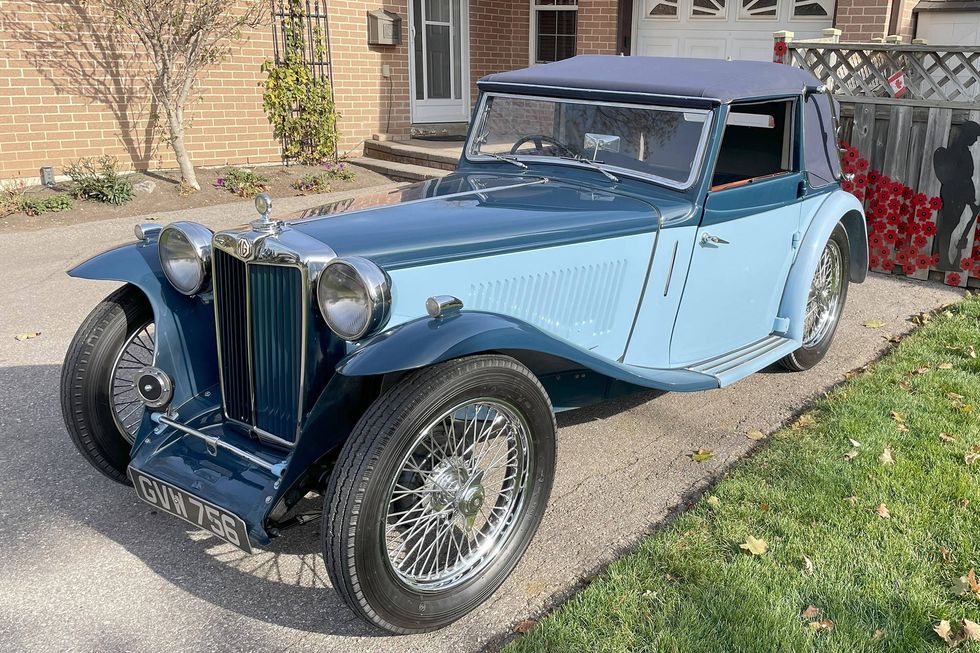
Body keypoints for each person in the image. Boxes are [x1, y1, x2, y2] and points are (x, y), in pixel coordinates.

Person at [933, 121, 980, 271]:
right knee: (948, 227)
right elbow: (959, 178)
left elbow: (967, 179)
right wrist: (967, 198)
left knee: (950, 226)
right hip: (955, 194)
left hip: (960, 193)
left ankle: (946, 260)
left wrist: (971, 200)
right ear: (968, 135)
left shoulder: (963, 151)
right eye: (975, 136)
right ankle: (944, 261)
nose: (976, 139)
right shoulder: (958, 152)